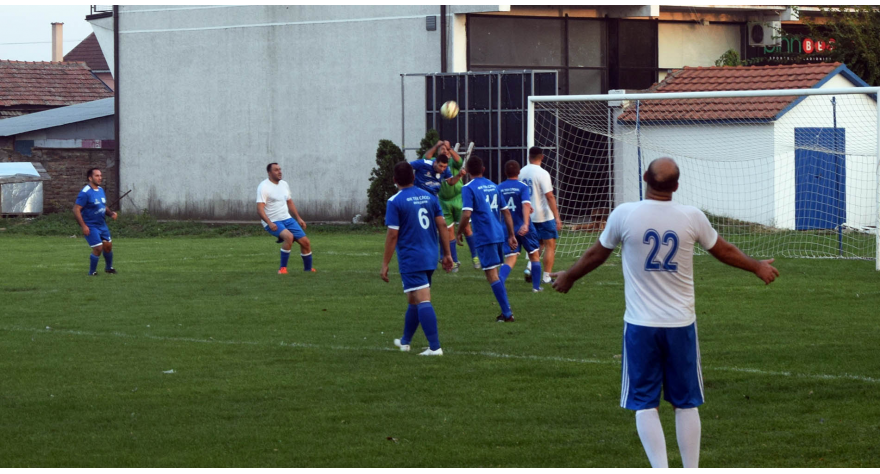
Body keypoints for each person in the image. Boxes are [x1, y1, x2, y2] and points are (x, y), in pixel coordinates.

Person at [551, 157, 779, 468]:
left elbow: (596, 254)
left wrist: (569, 276)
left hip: (641, 326)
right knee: (685, 403)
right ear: (676, 186)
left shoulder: (625, 214)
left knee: (645, 403)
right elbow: (722, 249)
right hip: (680, 324)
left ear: (645, 177)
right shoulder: (691, 217)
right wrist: (757, 267)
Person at [381, 161, 454, 356]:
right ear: (414, 178)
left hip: (412, 257)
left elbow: (392, 235)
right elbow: (442, 226)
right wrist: (447, 254)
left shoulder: (394, 201)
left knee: (421, 299)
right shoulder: (429, 197)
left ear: (395, 180)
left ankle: (435, 347)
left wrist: (385, 263)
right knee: (413, 298)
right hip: (430, 254)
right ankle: (405, 341)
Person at [457, 155, 518, 322]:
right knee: (495, 274)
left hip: (485, 235)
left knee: (491, 275)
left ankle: (507, 313)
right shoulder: (493, 186)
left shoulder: (468, 188)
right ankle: (505, 312)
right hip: (499, 234)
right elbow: (506, 211)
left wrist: (459, 231)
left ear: (467, 171)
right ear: (483, 169)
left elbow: (467, 213)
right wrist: (511, 235)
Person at [425, 140, 479, 271]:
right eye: (441, 149)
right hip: (444, 201)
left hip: (458, 199)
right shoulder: (435, 164)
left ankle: (475, 257)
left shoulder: (452, 162)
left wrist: (450, 150)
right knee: (448, 231)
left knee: (466, 228)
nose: (444, 150)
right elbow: (426, 157)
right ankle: (454, 261)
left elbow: (459, 161)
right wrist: (437, 145)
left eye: (446, 149)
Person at [257, 163, 315, 274]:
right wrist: (269, 223)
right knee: (289, 237)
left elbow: (289, 201)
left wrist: (298, 218)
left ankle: (308, 270)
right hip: (273, 221)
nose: (279, 172)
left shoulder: (284, 184)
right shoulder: (263, 186)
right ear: (269, 173)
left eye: (280, 169)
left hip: (287, 219)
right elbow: (259, 209)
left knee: (306, 242)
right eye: (276, 170)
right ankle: (282, 269)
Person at [496, 160, 543, 292]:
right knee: (534, 254)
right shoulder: (522, 187)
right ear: (518, 172)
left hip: (508, 228)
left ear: (505, 172)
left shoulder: (499, 188)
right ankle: (536, 287)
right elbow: (525, 204)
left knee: (511, 257)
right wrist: (526, 224)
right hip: (523, 226)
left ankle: (500, 280)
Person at [519, 146, 562, 284]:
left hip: (528, 216)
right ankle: (546, 276)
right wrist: (557, 217)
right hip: (543, 216)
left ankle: (529, 267)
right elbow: (549, 196)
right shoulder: (543, 173)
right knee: (550, 245)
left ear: (528, 157)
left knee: (537, 244)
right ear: (542, 157)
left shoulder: (521, 172)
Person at [73, 168, 117, 276]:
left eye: (100, 175)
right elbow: (76, 209)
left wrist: (110, 213)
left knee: (108, 246)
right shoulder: (85, 192)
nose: (100, 178)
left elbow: (103, 205)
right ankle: (92, 272)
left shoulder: (101, 190)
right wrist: (83, 226)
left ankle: (109, 268)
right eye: (97, 176)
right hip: (91, 225)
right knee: (98, 248)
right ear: (90, 178)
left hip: (102, 224)